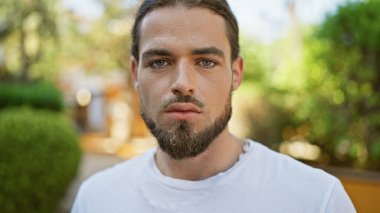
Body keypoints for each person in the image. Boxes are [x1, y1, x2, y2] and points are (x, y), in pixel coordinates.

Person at [72, 0, 356, 212]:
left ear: (236, 73)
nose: (183, 83)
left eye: (206, 62)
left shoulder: (317, 200)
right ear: (135, 74)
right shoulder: (96, 199)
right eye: (159, 62)